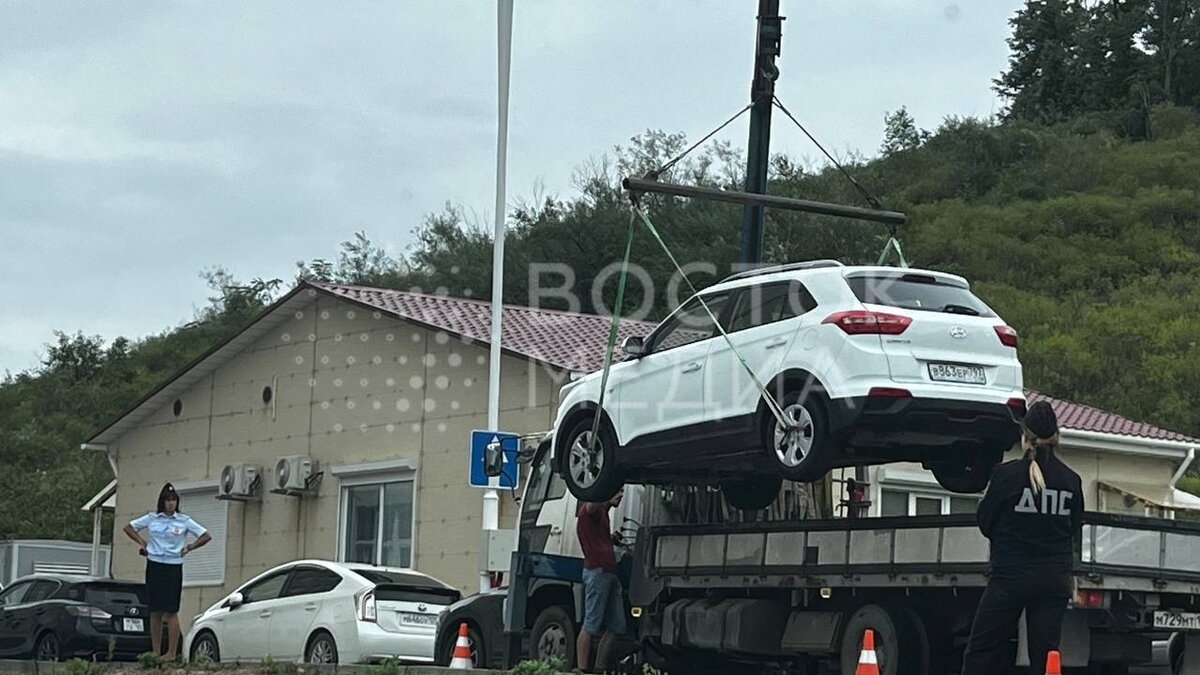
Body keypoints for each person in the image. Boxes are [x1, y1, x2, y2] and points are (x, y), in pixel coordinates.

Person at [963, 401, 1084, 675]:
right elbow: (1074, 526)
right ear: (1056, 436)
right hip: (1053, 579)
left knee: (983, 651)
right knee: (1046, 656)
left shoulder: (1005, 477)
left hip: (1010, 578)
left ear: (1025, 435)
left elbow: (985, 522)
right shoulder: (1071, 481)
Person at [122, 483, 211, 661]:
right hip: (155, 564)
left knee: (171, 611)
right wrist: (142, 542)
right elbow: (128, 527)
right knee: (155, 611)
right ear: (161, 502)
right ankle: (155, 652)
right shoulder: (152, 518)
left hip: (173, 566)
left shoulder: (183, 520)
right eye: (167, 500)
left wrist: (190, 547)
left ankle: (170, 652)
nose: (170, 503)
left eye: (173, 500)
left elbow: (205, 535)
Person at [575, 489, 625, 673]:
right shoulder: (591, 510)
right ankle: (582, 670)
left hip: (609, 572)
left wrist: (610, 539)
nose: (621, 496)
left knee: (617, 626)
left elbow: (597, 537)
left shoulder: (603, 513)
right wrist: (605, 487)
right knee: (591, 624)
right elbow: (592, 501)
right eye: (618, 492)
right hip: (598, 572)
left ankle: (599, 668)